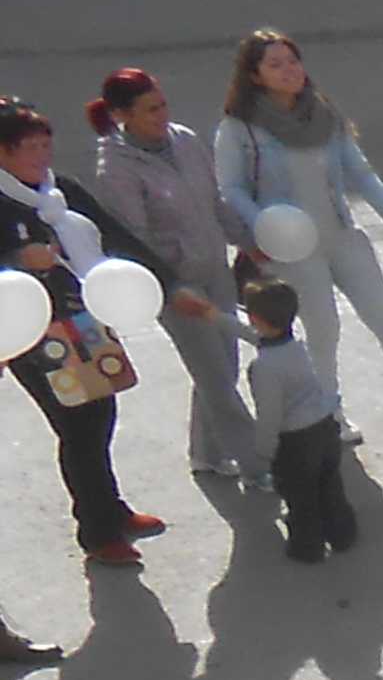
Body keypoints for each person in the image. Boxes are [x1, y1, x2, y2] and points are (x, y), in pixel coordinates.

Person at [215, 32, 383, 422]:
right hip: (293, 248)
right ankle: (330, 413)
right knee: (323, 329)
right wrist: (260, 224)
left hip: (342, 236)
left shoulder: (323, 114)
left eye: (292, 60)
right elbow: (230, 189)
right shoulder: (239, 129)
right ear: (255, 76)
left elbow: (361, 175)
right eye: (274, 65)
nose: (288, 71)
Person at [82, 69, 258, 486]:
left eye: (162, 104)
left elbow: (213, 202)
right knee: (215, 379)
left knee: (223, 367)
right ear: (123, 115)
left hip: (215, 272)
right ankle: (257, 466)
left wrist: (248, 242)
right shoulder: (116, 170)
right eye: (150, 110)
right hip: (175, 288)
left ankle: (207, 455)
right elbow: (133, 239)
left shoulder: (185, 139)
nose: (162, 115)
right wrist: (171, 287)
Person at [5, 98, 160, 566]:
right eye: (27, 147)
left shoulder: (60, 191)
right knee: (79, 425)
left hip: (83, 319)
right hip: (32, 335)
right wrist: (16, 261)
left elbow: (113, 234)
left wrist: (163, 281)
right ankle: (97, 532)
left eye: (44, 144)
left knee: (102, 412)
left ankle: (110, 509)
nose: (40, 155)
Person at [239, 285, 352, 560]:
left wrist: (264, 449)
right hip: (324, 428)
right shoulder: (298, 346)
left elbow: (270, 414)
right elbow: (254, 335)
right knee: (330, 485)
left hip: (295, 442)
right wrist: (215, 316)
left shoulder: (263, 367)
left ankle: (307, 547)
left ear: (255, 320)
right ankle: (343, 534)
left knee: (300, 499)